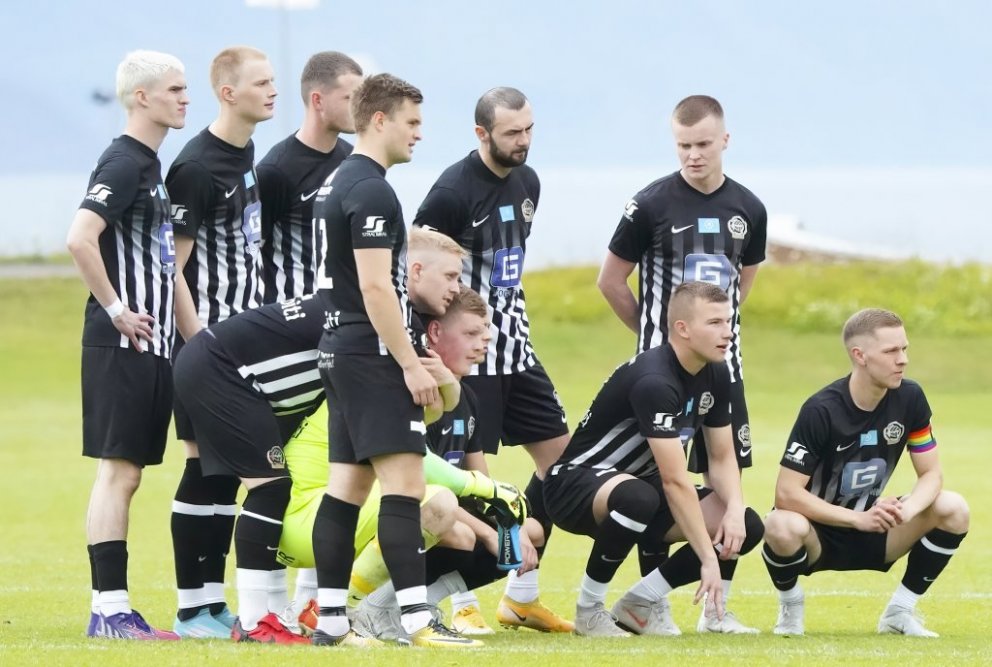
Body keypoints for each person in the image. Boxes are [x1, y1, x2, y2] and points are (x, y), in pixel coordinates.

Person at [310, 77, 479, 648]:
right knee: (404, 487)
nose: (418, 134)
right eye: (412, 122)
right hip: (370, 352)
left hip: (339, 349)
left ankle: (331, 621)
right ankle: (416, 621)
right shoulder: (373, 190)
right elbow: (377, 287)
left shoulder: (339, 181)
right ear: (379, 120)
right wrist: (408, 362)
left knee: (346, 488)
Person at [596, 95, 767, 626]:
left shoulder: (749, 209)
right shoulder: (649, 205)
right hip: (663, 376)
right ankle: (651, 607)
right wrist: (660, 341)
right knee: (658, 484)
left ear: (725, 141)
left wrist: (709, 340)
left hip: (724, 373)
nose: (693, 155)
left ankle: (716, 613)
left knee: (727, 485)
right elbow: (610, 281)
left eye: (703, 144)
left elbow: (740, 288)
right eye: (683, 145)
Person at [412, 88, 572, 632]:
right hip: (467, 357)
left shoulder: (529, 182)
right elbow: (421, 274)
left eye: (529, 129)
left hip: (516, 350)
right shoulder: (451, 194)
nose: (523, 141)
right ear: (482, 134)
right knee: (462, 475)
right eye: (511, 133)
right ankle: (453, 601)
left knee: (564, 468)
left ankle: (521, 595)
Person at [544, 282, 764, 637]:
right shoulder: (655, 380)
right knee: (640, 498)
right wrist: (708, 557)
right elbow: (675, 482)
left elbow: (722, 456)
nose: (728, 332)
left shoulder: (717, 372)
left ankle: (641, 602)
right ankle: (588, 610)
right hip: (574, 485)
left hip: (645, 487)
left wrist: (735, 509)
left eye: (729, 321)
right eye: (714, 323)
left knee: (748, 525)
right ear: (683, 329)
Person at [66, 49, 188, 641]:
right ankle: (109, 610)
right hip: (122, 345)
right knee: (118, 473)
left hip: (152, 346)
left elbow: (164, 266)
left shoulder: (150, 165)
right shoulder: (122, 161)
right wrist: (117, 310)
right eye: (175, 90)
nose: (185, 99)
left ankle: (114, 610)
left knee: (129, 473)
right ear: (142, 97)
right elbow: (79, 238)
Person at [351, 286, 556, 638]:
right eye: (471, 334)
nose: (482, 344)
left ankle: (411, 608)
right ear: (435, 332)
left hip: (443, 509)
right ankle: (373, 607)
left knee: (528, 532)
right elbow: (419, 486)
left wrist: (508, 525)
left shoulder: (468, 397)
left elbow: (481, 482)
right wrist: (489, 533)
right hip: (400, 511)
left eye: (485, 334)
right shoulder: (419, 396)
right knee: (461, 533)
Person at [761, 308, 969, 637]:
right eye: (891, 351)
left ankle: (900, 612)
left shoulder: (911, 398)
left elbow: (931, 475)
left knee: (953, 507)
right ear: (860, 355)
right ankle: (790, 607)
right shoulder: (820, 410)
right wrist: (857, 519)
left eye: (904, 349)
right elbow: (786, 493)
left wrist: (906, 511)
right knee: (779, 524)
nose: (903, 360)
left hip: (876, 528)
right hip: (818, 533)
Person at [166, 45, 277, 638]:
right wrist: (200, 349)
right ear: (228, 93)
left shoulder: (247, 152)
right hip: (209, 348)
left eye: (273, 81)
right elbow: (173, 270)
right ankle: (193, 609)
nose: (272, 91)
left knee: (226, 473)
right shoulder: (195, 167)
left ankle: (212, 606)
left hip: (244, 346)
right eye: (261, 83)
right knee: (202, 469)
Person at [257, 51, 363, 303]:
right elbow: (249, 254)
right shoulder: (275, 171)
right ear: (318, 100)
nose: (360, 108)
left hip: (342, 317)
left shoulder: (353, 160)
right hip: (289, 318)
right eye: (349, 98)